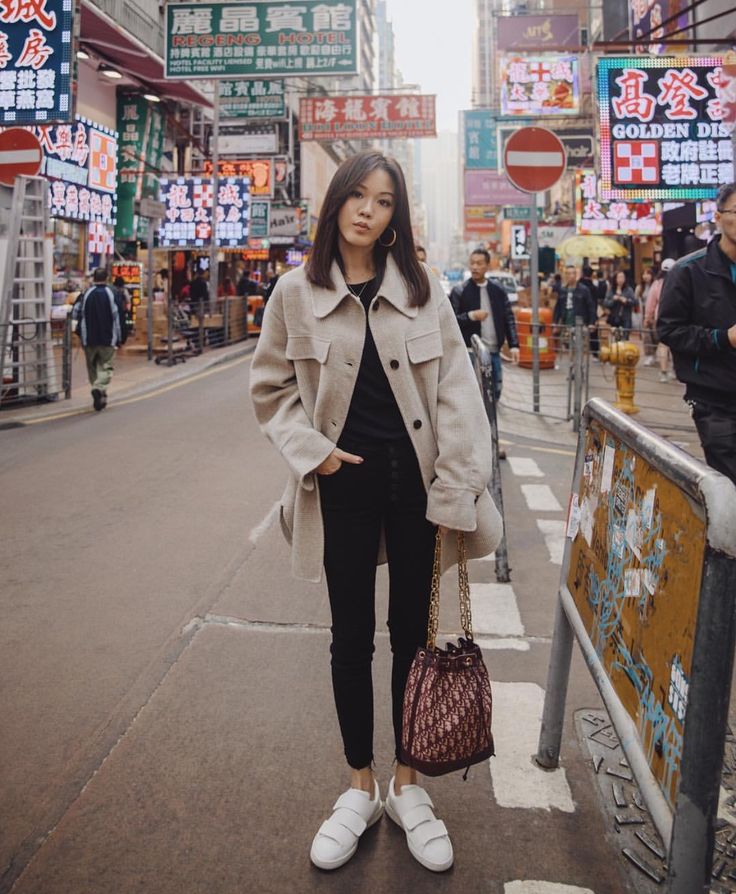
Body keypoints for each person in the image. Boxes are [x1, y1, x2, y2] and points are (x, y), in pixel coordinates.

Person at [250, 150, 502, 873]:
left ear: (397, 216)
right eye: (357, 196)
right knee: (350, 637)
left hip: (418, 490)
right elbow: (272, 392)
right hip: (342, 490)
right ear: (335, 204)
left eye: (384, 200)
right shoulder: (296, 292)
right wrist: (315, 454)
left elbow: (457, 394)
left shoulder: (424, 292)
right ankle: (359, 785)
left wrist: (456, 488)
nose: (368, 210)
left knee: (413, 639)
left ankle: (409, 785)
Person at [657, 182, 736, 485]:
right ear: (718, 217)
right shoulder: (688, 271)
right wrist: (723, 338)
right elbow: (668, 329)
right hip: (713, 401)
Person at [448, 248, 520, 402]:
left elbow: (508, 317)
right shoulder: (459, 291)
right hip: (470, 353)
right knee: (474, 394)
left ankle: (491, 422)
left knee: (496, 390)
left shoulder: (498, 290)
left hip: (494, 351)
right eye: (472, 263)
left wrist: (514, 345)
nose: (474, 267)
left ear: (487, 265)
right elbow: (451, 322)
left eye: (479, 263)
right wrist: (471, 316)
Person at [72, 267, 128, 411]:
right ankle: (99, 389)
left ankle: (100, 397)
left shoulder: (85, 293)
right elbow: (117, 317)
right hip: (107, 338)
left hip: (88, 338)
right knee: (106, 367)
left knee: (92, 368)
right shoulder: (112, 293)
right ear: (107, 278)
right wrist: (120, 337)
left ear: (93, 278)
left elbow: (75, 312)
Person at [644, 260, 676, 382]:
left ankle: (663, 372)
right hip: (678, 318)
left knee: (663, 344)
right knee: (675, 345)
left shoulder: (657, 284)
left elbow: (650, 303)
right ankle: (674, 370)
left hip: (661, 317)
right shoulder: (678, 281)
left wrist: (648, 317)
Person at [604, 270, 637, 339]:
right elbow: (606, 302)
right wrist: (613, 300)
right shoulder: (611, 289)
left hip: (626, 318)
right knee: (616, 338)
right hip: (614, 318)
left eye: (622, 277)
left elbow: (634, 302)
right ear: (615, 279)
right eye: (619, 277)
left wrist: (626, 301)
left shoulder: (629, 289)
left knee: (625, 338)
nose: (621, 279)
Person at [579, 265, 601, 357]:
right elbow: (595, 302)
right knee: (593, 334)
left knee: (578, 333)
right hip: (591, 313)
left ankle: (579, 352)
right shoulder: (594, 287)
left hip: (580, 313)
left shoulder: (578, 286)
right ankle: (595, 353)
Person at [636, 269, 655, 362]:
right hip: (644, 313)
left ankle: (654, 353)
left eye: (648, 274)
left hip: (654, 314)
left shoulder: (655, 285)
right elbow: (636, 300)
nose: (645, 276)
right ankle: (649, 355)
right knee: (646, 335)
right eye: (644, 274)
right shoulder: (640, 287)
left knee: (655, 335)